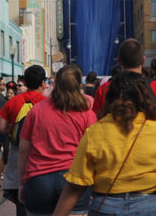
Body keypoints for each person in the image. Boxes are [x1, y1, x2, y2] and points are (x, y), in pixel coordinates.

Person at [53, 72, 156, 216]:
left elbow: (76, 186)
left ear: (109, 98)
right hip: (151, 206)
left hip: (106, 206)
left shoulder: (94, 132)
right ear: (146, 99)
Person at [17, 65, 97, 216]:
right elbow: (93, 151)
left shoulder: (37, 110)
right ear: (80, 85)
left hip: (39, 179)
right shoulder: (87, 113)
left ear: (54, 84)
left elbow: (23, 150)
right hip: (74, 179)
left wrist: (21, 182)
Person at [91, 39, 156, 140]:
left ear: (119, 61)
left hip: (112, 148)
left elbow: (95, 124)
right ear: (143, 60)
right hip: (150, 148)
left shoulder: (104, 89)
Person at [0, 65, 48, 216]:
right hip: (41, 155)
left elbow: (0, 127)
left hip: (17, 152)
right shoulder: (47, 103)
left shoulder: (14, 101)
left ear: (25, 82)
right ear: (43, 83)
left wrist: (12, 131)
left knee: (21, 206)